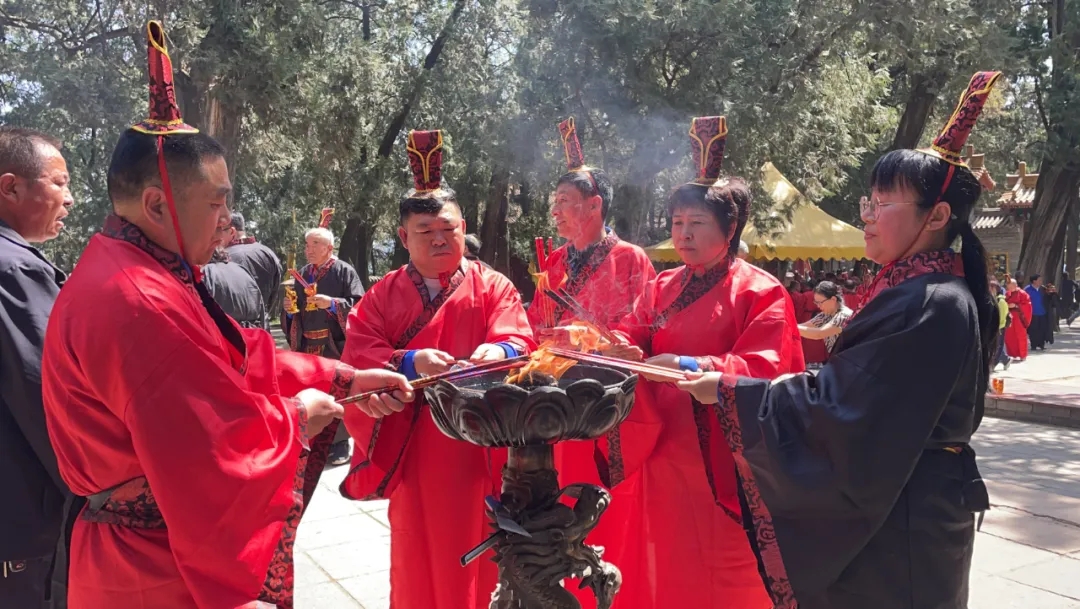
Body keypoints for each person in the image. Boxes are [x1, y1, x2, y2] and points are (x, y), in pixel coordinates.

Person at [39, 22, 413, 609]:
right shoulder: (136, 298)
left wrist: (345, 379)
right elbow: (209, 446)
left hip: (149, 553)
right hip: (153, 569)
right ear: (157, 204)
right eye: (216, 204)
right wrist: (297, 418)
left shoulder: (142, 271)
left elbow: (241, 357)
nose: (225, 223)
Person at [674, 71, 1001, 609]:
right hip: (898, 499)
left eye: (882, 205)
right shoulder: (916, 292)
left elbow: (848, 408)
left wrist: (734, 391)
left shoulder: (934, 301)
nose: (867, 217)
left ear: (937, 216)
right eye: (868, 202)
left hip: (904, 515)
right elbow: (853, 388)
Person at [594, 116, 804, 609]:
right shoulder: (663, 285)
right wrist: (616, 346)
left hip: (726, 460)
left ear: (730, 230)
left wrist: (691, 363)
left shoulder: (761, 291)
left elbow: (768, 370)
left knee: (725, 571)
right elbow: (634, 332)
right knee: (666, 562)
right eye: (677, 223)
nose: (683, 234)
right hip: (664, 448)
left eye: (697, 223)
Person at [339, 129, 536, 609]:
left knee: (486, 543)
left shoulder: (492, 285)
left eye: (448, 229)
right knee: (419, 548)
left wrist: (498, 353)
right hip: (416, 443)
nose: (439, 239)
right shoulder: (383, 294)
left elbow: (519, 338)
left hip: (480, 442)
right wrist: (409, 361)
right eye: (425, 232)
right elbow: (357, 354)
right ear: (403, 237)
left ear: (463, 226)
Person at [526, 117, 656, 489]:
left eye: (564, 201)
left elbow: (642, 329)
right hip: (555, 394)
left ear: (594, 205)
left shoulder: (630, 258)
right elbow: (536, 320)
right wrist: (540, 337)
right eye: (555, 202)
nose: (555, 211)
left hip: (605, 399)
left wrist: (584, 339)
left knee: (602, 497)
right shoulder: (554, 261)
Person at [0, 126, 78, 609]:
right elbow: (53, 396)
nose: (69, 199)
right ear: (10, 188)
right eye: (60, 183)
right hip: (22, 524)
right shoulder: (15, 270)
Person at [281, 208, 366, 465]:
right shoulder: (302, 275)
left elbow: (360, 306)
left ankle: (339, 444)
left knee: (337, 391)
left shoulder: (344, 271)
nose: (309, 249)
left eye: (315, 244)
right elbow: (295, 310)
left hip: (333, 344)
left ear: (329, 247)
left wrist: (332, 303)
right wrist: (289, 311)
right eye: (307, 245)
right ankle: (315, 441)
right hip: (307, 344)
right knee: (311, 390)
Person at [226, 210, 282, 315]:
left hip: (230, 322)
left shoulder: (224, 256)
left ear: (231, 231)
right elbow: (274, 293)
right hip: (261, 321)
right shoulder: (269, 253)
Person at [202, 243, 268, 328]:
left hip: (225, 330)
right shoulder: (241, 269)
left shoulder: (206, 272)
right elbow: (260, 304)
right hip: (251, 331)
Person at [797, 280, 853, 354]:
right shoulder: (826, 314)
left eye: (820, 302)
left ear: (833, 299)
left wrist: (790, 327)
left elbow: (819, 333)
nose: (818, 306)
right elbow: (805, 326)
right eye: (816, 302)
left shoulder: (844, 316)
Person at [1004, 276, 1031, 361]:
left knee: (1021, 336)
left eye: (1011, 286)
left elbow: (1027, 305)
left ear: (1015, 285)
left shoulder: (1022, 293)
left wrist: (1016, 305)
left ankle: (1023, 355)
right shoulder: (1007, 294)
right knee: (1009, 336)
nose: (1010, 288)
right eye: (1008, 286)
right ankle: (1011, 354)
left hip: (1019, 317)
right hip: (1009, 317)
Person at [1025, 274, 1050, 350]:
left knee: (1042, 329)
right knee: (1033, 330)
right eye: (1039, 280)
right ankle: (1034, 345)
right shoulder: (1027, 289)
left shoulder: (1043, 289)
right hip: (1032, 313)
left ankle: (1041, 344)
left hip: (1042, 312)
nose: (1041, 282)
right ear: (1034, 281)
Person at [991, 278, 1011, 370]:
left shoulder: (1001, 301)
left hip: (999, 328)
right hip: (994, 327)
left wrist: (997, 327)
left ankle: (993, 364)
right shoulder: (993, 299)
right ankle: (1005, 360)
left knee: (997, 346)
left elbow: (1002, 317)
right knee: (997, 346)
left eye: (991, 287)